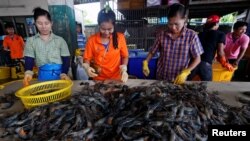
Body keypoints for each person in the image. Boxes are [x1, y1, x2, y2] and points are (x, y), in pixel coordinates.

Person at [142, 3, 203, 84]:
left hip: (179, 79)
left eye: (176, 24)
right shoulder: (162, 34)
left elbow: (197, 59)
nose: (173, 27)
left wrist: (187, 71)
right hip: (161, 77)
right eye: (170, 24)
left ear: (184, 19)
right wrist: (146, 61)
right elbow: (152, 51)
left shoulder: (191, 36)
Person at [23, 7, 71, 86]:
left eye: (46, 23)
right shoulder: (31, 41)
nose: (44, 27)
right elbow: (29, 59)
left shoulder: (60, 40)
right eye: (40, 23)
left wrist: (64, 73)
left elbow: (66, 59)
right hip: (43, 76)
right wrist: (28, 73)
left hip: (61, 75)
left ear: (51, 23)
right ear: (35, 23)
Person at [82, 6, 129, 82]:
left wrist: (124, 68)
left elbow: (125, 56)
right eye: (103, 29)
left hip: (116, 79)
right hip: (98, 79)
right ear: (99, 26)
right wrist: (87, 67)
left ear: (114, 26)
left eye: (110, 29)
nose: (106, 32)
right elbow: (87, 58)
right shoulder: (92, 40)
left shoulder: (120, 38)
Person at [188, 15, 234, 81]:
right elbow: (220, 53)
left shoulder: (200, 34)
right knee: (208, 86)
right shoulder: (220, 34)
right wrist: (225, 62)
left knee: (186, 83)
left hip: (193, 62)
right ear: (216, 24)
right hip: (205, 64)